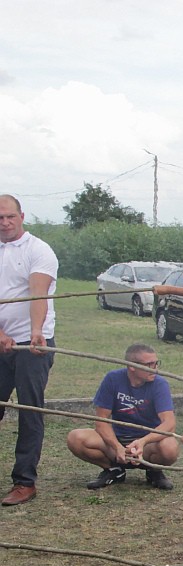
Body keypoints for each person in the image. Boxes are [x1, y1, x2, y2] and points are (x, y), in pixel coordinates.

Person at [0, 194, 57, 506]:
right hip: (1, 341)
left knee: (29, 411)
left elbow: (39, 295)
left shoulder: (39, 250)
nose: (5, 223)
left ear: (21, 216)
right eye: (0, 218)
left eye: (10, 217)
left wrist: (34, 333)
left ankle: (24, 482)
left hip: (33, 344)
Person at [65, 343, 177, 491]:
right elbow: (102, 421)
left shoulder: (160, 383)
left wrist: (143, 442)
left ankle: (154, 471)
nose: (155, 368)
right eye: (149, 364)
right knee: (76, 438)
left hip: (148, 444)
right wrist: (117, 447)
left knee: (170, 447)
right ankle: (113, 470)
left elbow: (169, 423)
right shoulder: (113, 379)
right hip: (116, 440)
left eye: (156, 363)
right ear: (131, 366)